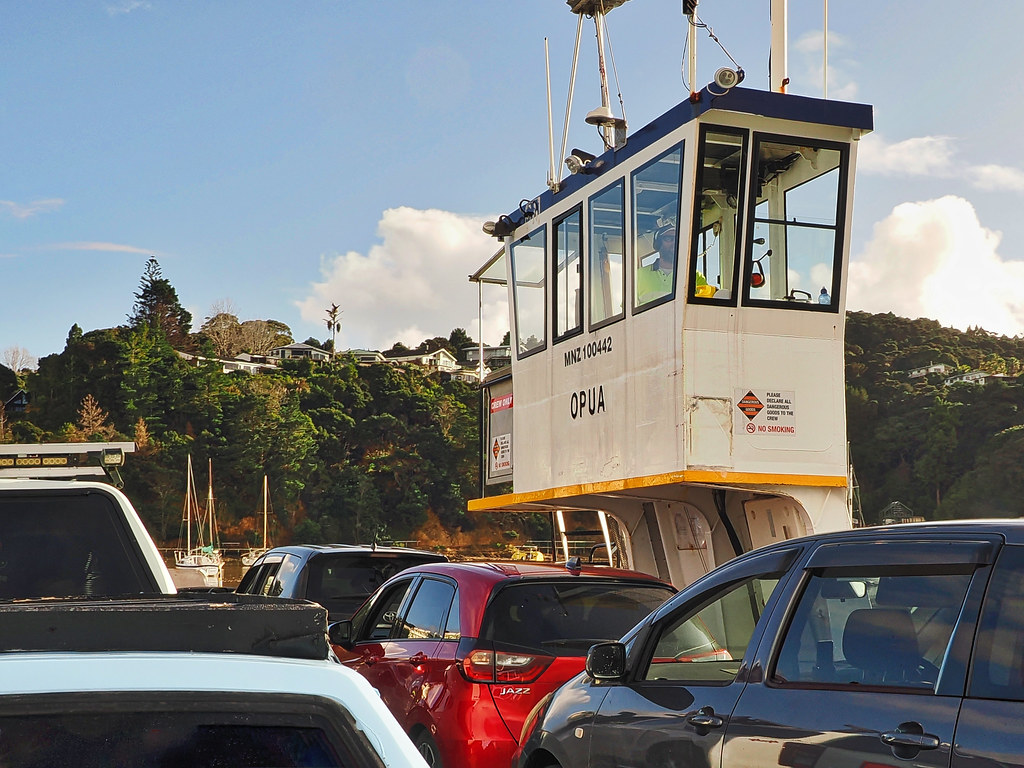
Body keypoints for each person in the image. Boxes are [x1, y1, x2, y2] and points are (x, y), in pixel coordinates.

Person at [636, 224, 676, 304]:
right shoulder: (638, 275)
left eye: (677, 239)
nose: (674, 243)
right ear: (658, 244)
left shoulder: (694, 276)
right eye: (669, 239)